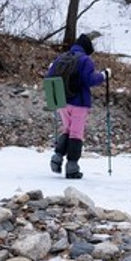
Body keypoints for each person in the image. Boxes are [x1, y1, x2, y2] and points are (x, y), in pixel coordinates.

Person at [46, 34, 108, 179]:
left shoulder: (61, 57)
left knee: (66, 130)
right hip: (79, 103)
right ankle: (72, 168)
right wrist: (104, 75)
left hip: (62, 101)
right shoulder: (85, 60)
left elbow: (49, 76)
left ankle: (57, 158)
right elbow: (90, 80)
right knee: (76, 134)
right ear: (87, 49)